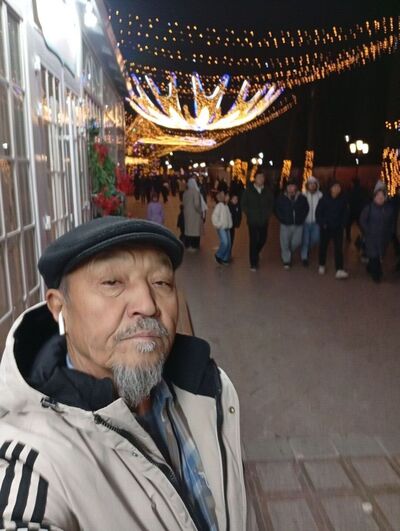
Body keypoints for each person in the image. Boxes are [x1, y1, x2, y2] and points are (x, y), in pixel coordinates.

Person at [0, 217, 246, 530]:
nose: (147, 305)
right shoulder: (30, 463)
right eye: (112, 282)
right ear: (59, 307)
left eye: (162, 282)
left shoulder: (209, 390)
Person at [359, 181, 394, 283]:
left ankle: (371, 267)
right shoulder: (369, 208)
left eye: (382, 196)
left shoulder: (388, 209)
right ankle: (376, 275)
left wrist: (390, 234)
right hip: (371, 237)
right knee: (374, 255)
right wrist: (367, 230)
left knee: (379, 255)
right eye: (378, 196)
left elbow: (391, 223)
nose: (380, 198)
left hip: (383, 238)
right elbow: (362, 220)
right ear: (374, 197)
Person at [241, 172, 274, 271]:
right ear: (255, 179)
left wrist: (268, 214)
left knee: (263, 239)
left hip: (263, 220)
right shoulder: (248, 190)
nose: (261, 179)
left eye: (262, 177)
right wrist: (249, 213)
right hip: (253, 220)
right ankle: (253, 263)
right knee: (253, 241)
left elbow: (271, 203)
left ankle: (255, 252)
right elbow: (243, 204)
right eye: (259, 177)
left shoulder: (267, 191)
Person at [316, 180, 349, 279]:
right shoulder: (324, 199)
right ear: (330, 188)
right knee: (323, 247)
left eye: (338, 187)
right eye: (335, 187)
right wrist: (323, 223)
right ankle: (322, 264)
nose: (337, 189)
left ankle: (339, 269)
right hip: (326, 227)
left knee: (338, 248)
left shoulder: (343, 200)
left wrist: (343, 224)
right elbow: (318, 213)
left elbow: (346, 213)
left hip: (338, 228)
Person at [275, 179, 309, 269]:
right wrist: (281, 218)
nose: (291, 188)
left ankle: (287, 252)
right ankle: (286, 260)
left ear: (296, 187)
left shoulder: (302, 198)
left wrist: (301, 218)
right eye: (289, 186)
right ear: (286, 188)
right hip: (285, 224)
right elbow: (276, 209)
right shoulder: (281, 198)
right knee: (284, 242)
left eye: (292, 186)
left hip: (298, 224)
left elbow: (306, 209)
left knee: (297, 242)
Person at [301, 176, 323, 266]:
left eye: (314, 184)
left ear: (317, 185)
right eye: (310, 184)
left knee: (316, 238)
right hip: (305, 222)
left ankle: (306, 249)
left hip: (316, 222)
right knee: (305, 240)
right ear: (307, 185)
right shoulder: (303, 195)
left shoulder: (320, 195)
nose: (312, 185)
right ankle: (304, 257)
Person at [182, 177, 207, 251]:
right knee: (195, 230)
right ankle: (194, 245)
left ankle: (187, 244)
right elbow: (196, 204)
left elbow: (183, 203)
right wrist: (200, 211)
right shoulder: (196, 192)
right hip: (195, 214)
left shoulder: (185, 192)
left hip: (187, 213)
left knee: (188, 229)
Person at [211, 191, 233, 265]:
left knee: (229, 244)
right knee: (225, 242)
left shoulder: (226, 206)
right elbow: (214, 217)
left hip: (227, 227)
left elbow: (229, 217)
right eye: (227, 196)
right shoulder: (219, 206)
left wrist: (230, 224)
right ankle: (218, 255)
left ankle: (225, 258)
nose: (228, 198)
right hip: (221, 228)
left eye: (228, 196)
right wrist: (219, 224)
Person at [345, 177, 367, 242]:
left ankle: (348, 237)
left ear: (353, 183)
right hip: (359, 211)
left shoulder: (351, 190)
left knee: (348, 224)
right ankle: (365, 236)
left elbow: (348, 199)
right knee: (361, 225)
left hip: (352, 210)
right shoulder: (363, 190)